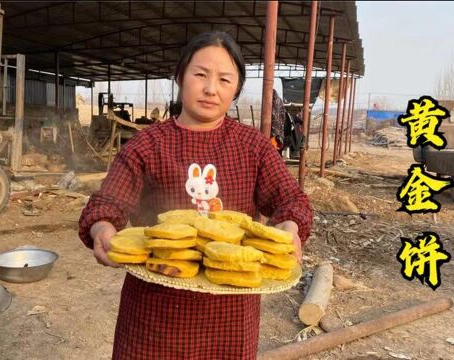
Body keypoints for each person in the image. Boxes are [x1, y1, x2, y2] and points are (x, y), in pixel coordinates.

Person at [78, 31, 313, 359]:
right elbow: (107, 203)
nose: (210, 89)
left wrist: (290, 227)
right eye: (200, 74)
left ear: (236, 89)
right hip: (155, 310)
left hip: (230, 312)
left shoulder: (253, 147)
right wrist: (101, 226)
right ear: (180, 76)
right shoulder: (147, 145)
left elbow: (291, 201)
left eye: (224, 79)